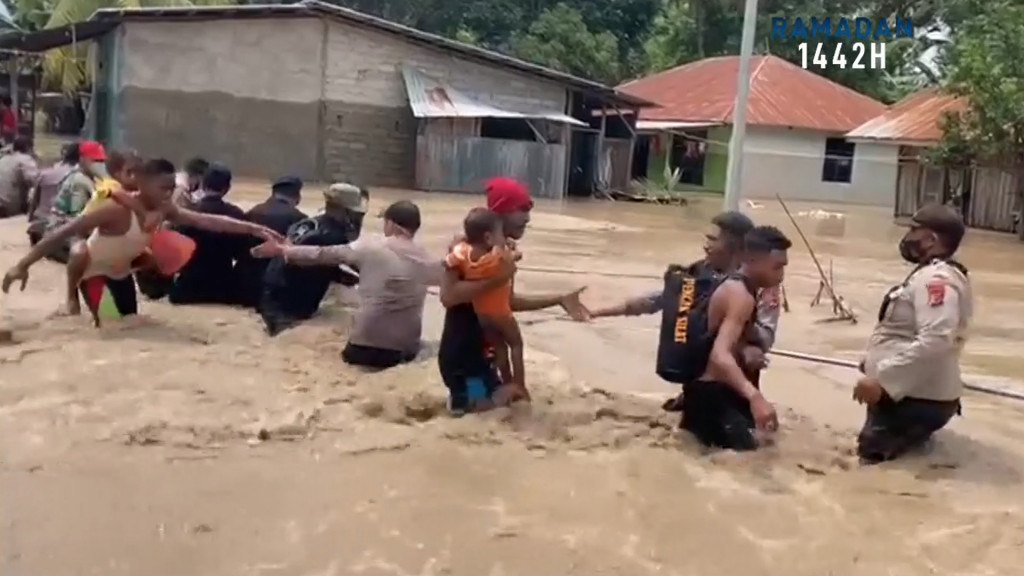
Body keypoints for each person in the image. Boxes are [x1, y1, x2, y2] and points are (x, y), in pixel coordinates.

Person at [1, 158, 280, 325]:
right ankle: (73, 297)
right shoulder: (115, 210)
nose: (169, 193)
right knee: (108, 329)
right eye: (163, 188)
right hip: (94, 274)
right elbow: (61, 234)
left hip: (121, 273)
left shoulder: (165, 209)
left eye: (173, 188)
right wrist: (22, 265)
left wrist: (255, 229)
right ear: (143, 184)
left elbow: (210, 221)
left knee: (131, 323)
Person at [585, 211, 780, 406]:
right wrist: (597, 312)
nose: (706, 245)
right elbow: (658, 301)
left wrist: (742, 332)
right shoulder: (700, 273)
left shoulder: (762, 283)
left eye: (713, 239)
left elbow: (766, 336)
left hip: (737, 374)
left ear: (736, 247)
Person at [438, 176, 588, 415]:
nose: (527, 218)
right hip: (462, 355)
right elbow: (448, 296)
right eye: (522, 209)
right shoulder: (465, 248)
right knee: (476, 409)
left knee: (494, 407)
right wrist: (499, 277)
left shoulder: (503, 253)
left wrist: (559, 298)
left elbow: (507, 302)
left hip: (483, 354)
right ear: (500, 212)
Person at [253, 199, 440, 368]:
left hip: (362, 348)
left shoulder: (370, 246)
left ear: (390, 223)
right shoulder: (429, 260)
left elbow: (323, 254)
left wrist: (282, 250)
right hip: (406, 351)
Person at [855, 204, 971, 464]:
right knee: (906, 459)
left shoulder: (936, 280)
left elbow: (937, 340)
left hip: (912, 398)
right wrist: (872, 361)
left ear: (931, 240)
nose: (908, 237)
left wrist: (882, 376)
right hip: (912, 392)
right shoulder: (931, 274)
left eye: (914, 230)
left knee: (870, 462)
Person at [678, 225, 791, 451]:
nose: (781, 275)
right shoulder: (740, 295)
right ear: (752, 259)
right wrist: (755, 397)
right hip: (713, 395)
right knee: (749, 464)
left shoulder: (738, 287)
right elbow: (719, 355)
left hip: (714, 391)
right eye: (777, 267)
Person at [257, 183, 365, 336]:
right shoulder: (335, 235)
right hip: (293, 306)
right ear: (342, 210)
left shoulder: (307, 223)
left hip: (268, 296)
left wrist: (344, 277)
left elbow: (317, 263)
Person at [446, 208, 526, 402]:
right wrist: (509, 255)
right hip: (473, 356)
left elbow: (450, 260)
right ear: (489, 237)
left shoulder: (462, 255)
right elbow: (447, 296)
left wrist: (454, 247)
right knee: (515, 344)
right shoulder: (495, 259)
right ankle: (518, 386)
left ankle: (483, 396)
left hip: (477, 324)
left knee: (494, 355)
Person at [168, 164, 250, 305]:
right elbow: (242, 253)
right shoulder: (236, 214)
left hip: (188, 288)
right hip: (224, 288)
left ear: (203, 185)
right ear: (227, 188)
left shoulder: (187, 213)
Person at [235, 175, 309, 308]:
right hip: (276, 293)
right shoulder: (300, 219)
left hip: (243, 289)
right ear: (297, 197)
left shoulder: (253, 212)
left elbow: (237, 250)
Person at [40, 141, 112, 263]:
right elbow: (77, 219)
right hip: (61, 234)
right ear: (83, 159)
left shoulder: (92, 179)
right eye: (95, 160)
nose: (99, 164)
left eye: (101, 161)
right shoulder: (80, 181)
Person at [27, 141, 79, 245]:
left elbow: (34, 201)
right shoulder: (80, 177)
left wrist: (31, 218)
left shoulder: (45, 173)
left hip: (40, 222)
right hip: (60, 226)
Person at [0, 136, 39, 218]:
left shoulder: (3, 158)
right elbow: (37, 182)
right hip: (8, 206)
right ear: (29, 148)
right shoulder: (25, 159)